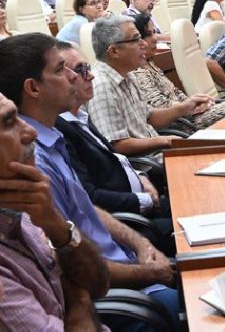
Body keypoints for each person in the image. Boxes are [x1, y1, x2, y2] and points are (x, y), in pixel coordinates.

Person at [0, 34, 181, 330]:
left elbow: (85, 207)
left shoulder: (53, 138)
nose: (75, 77)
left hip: (118, 274)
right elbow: (85, 285)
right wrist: (147, 273)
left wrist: (139, 242)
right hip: (122, 297)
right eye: (61, 70)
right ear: (32, 88)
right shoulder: (30, 164)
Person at [0, 92, 110, 331]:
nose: (31, 132)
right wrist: (80, 299)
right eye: (8, 122)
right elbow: (86, 293)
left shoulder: (23, 205)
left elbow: (98, 285)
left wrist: (54, 223)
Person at [55, 42, 173, 255]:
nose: (90, 76)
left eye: (87, 68)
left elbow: (112, 156)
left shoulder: (80, 115)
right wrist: (145, 200)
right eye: (80, 71)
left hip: (143, 199)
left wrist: (140, 176)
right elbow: (90, 198)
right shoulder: (61, 132)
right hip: (132, 222)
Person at [87, 16, 213, 161]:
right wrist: (164, 141)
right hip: (145, 165)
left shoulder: (128, 75)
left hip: (157, 154)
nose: (143, 45)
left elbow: (149, 117)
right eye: (135, 40)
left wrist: (184, 107)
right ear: (114, 51)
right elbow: (116, 145)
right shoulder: (101, 86)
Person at [133, 13, 225, 132]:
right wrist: (188, 106)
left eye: (154, 32)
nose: (155, 38)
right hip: (177, 123)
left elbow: (174, 91)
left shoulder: (150, 63)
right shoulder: (138, 71)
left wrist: (193, 103)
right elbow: (159, 106)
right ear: (137, 41)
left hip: (185, 114)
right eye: (148, 34)